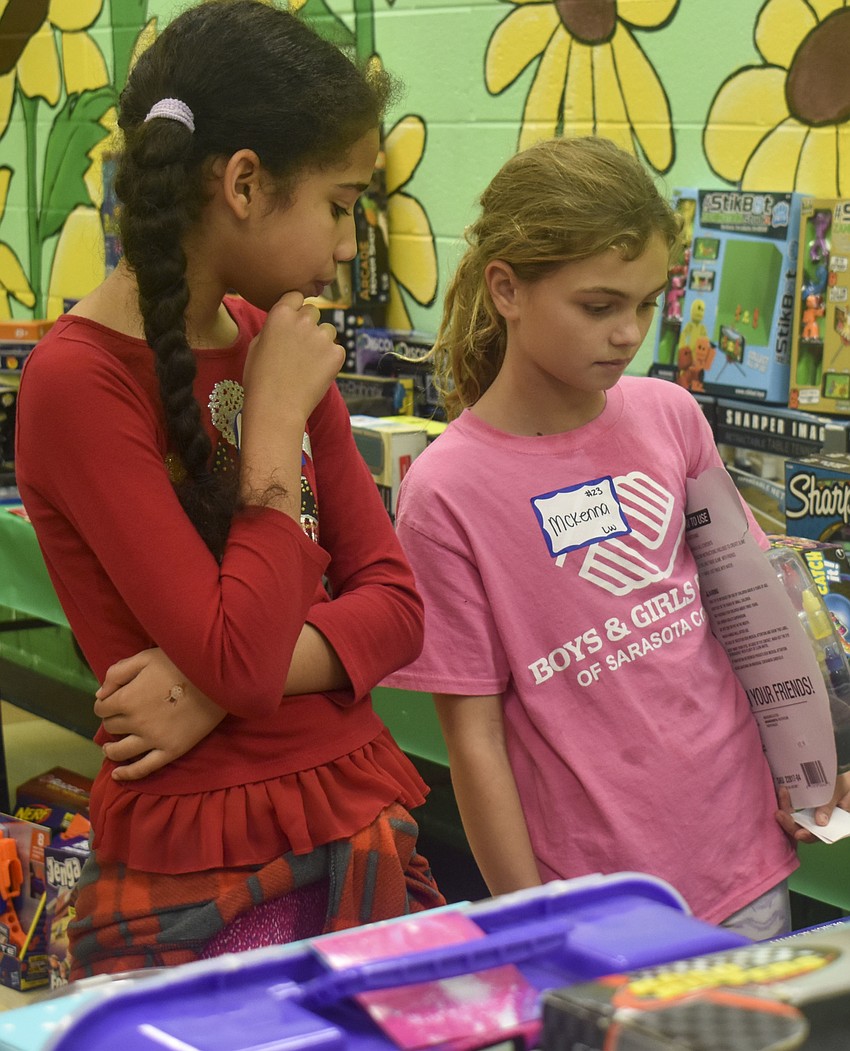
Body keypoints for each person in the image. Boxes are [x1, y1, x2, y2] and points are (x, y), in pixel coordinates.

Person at [15, 0, 444, 979]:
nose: (347, 244)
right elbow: (239, 655)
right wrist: (275, 437)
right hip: (206, 867)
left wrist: (207, 688)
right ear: (245, 182)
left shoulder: (275, 339)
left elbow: (397, 603)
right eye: (339, 205)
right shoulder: (79, 383)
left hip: (358, 816)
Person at [384, 135, 850, 941]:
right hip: (597, 905)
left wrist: (812, 757)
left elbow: (751, 609)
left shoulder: (671, 415)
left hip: (743, 856)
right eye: (599, 306)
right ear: (507, 289)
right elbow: (476, 741)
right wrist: (533, 923)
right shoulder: (445, 492)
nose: (629, 331)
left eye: (648, 302)